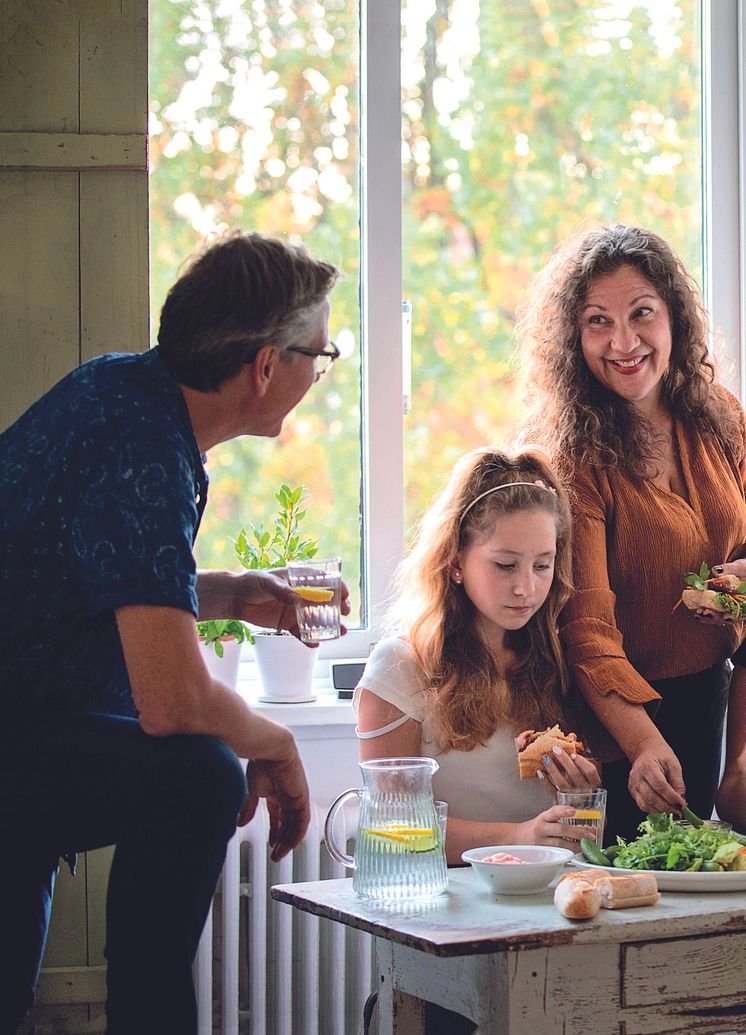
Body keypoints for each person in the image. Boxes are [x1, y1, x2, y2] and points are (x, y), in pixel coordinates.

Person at [0, 229, 349, 1035]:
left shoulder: (122, 394)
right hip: (18, 729)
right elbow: (171, 699)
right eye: (318, 357)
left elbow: (81, 576)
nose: (316, 375)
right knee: (199, 772)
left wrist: (229, 592)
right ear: (266, 365)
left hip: (26, 722)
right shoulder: (145, 446)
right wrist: (277, 742)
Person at [516, 222, 746, 842]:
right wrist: (644, 742)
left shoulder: (718, 415)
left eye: (641, 313)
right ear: (573, 335)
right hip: (612, 730)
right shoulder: (570, 456)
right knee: (618, 901)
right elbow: (583, 627)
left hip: (711, 700)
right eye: (597, 321)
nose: (624, 342)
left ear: (674, 318)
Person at [354, 447, 601, 865]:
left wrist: (582, 797)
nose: (526, 588)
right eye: (506, 565)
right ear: (455, 563)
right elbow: (390, 828)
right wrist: (522, 837)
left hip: (548, 896)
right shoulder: (402, 666)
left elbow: (583, 836)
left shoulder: (559, 660)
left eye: (542, 566)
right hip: (442, 900)